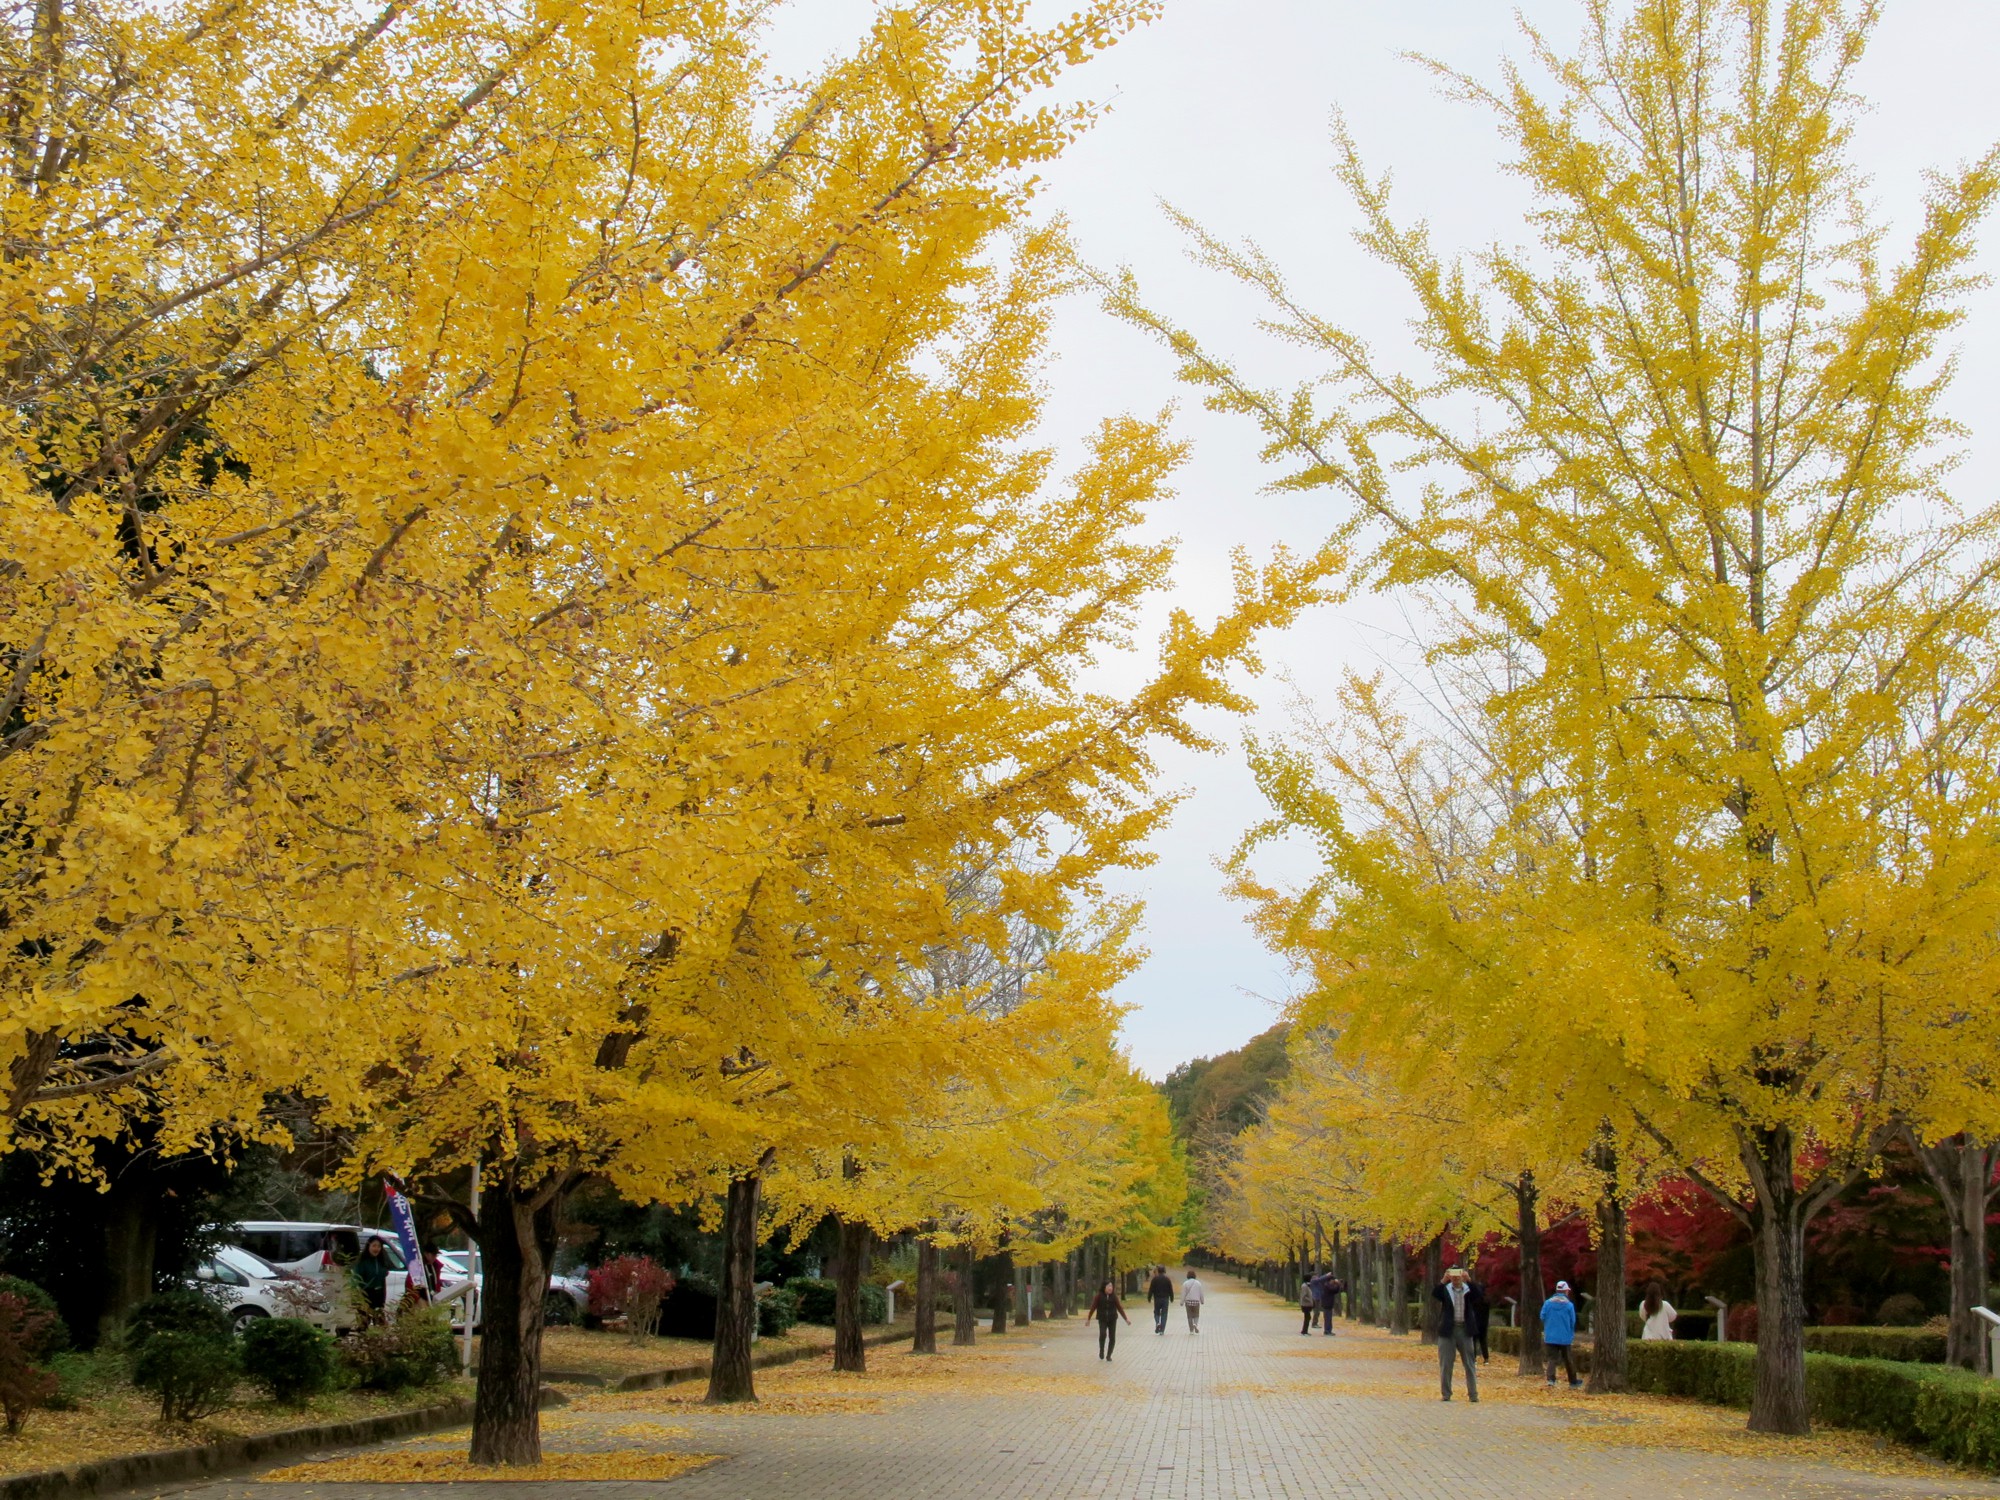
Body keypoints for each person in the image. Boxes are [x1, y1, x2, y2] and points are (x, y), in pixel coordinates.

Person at [1432, 1265, 1486, 1401]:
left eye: (1458, 1274)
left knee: (1469, 1363)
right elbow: (1435, 1293)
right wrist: (1443, 1280)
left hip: (1465, 1330)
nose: (1456, 1277)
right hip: (1448, 1331)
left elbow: (1479, 1294)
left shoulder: (1468, 1290)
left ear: (1462, 1274)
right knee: (1446, 1364)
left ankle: (1473, 1394)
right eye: (1453, 1274)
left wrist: (1469, 1280)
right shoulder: (1446, 1290)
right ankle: (1446, 1394)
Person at [1541, 1280, 1581, 1387]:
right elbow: (1573, 1321)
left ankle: (1551, 1380)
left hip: (1550, 1336)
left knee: (1552, 1359)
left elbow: (1542, 1316)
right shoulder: (1569, 1306)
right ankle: (1573, 1381)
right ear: (1565, 1291)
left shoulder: (1548, 1303)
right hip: (1565, 1337)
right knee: (1568, 1359)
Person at [1086, 1279, 1130, 1360]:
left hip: (1112, 1319)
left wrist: (1126, 1319)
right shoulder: (1099, 1296)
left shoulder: (1114, 1297)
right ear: (1104, 1287)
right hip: (1102, 1318)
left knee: (1112, 1337)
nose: (1110, 1288)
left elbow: (1119, 1308)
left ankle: (1109, 1355)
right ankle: (1101, 1350)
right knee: (1103, 1334)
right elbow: (1093, 1307)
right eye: (1108, 1286)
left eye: (1111, 1286)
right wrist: (1088, 1319)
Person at [352, 1235, 391, 1321]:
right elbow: (356, 1279)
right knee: (364, 1322)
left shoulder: (382, 1260)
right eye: (374, 1246)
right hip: (366, 1294)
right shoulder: (362, 1261)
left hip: (379, 1294)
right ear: (368, 1245)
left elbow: (383, 1279)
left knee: (380, 1321)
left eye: (379, 1246)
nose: (376, 1249)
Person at [1147, 1266, 1175, 1334]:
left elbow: (1151, 1289)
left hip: (1157, 1298)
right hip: (1165, 1298)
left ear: (1158, 1271)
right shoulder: (1167, 1279)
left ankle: (1157, 1323)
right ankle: (1162, 1330)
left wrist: (1149, 1297)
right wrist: (1171, 1298)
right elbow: (1170, 1289)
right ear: (1164, 1271)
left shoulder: (1155, 1279)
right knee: (1164, 1314)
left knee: (1156, 1312)